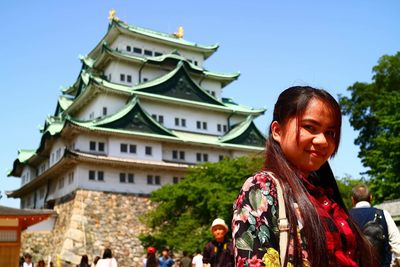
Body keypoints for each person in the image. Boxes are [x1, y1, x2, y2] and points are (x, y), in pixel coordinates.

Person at [232, 86, 378, 266]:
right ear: (277, 131)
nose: (323, 141)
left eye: (330, 133)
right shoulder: (262, 187)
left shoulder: (326, 196)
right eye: (310, 127)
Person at [349, 184, 400, 266]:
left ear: (353, 199)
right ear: (371, 197)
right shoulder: (383, 214)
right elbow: (397, 243)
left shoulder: (345, 216)